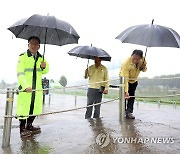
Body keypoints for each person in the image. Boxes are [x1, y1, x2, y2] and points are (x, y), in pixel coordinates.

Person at [16, 36, 49, 138]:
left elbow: (45, 71)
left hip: (37, 88)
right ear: (28, 45)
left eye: (36, 44)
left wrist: (44, 66)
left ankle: (29, 126)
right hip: (26, 89)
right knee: (23, 109)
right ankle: (22, 129)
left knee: (35, 108)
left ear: (39, 46)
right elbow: (20, 73)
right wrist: (26, 86)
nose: (34, 45)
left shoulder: (41, 58)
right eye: (32, 43)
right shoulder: (23, 57)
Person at [119, 49, 147, 119]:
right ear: (131, 55)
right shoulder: (126, 63)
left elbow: (144, 69)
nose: (135, 60)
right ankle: (123, 111)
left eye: (137, 59)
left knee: (131, 96)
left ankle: (129, 112)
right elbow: (125, 78)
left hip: (134, 80)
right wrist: (126, 91)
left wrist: (143, 67)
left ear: (140, 58)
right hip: (124, 80)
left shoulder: (143, 60)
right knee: (124, 96)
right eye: (134, 58)